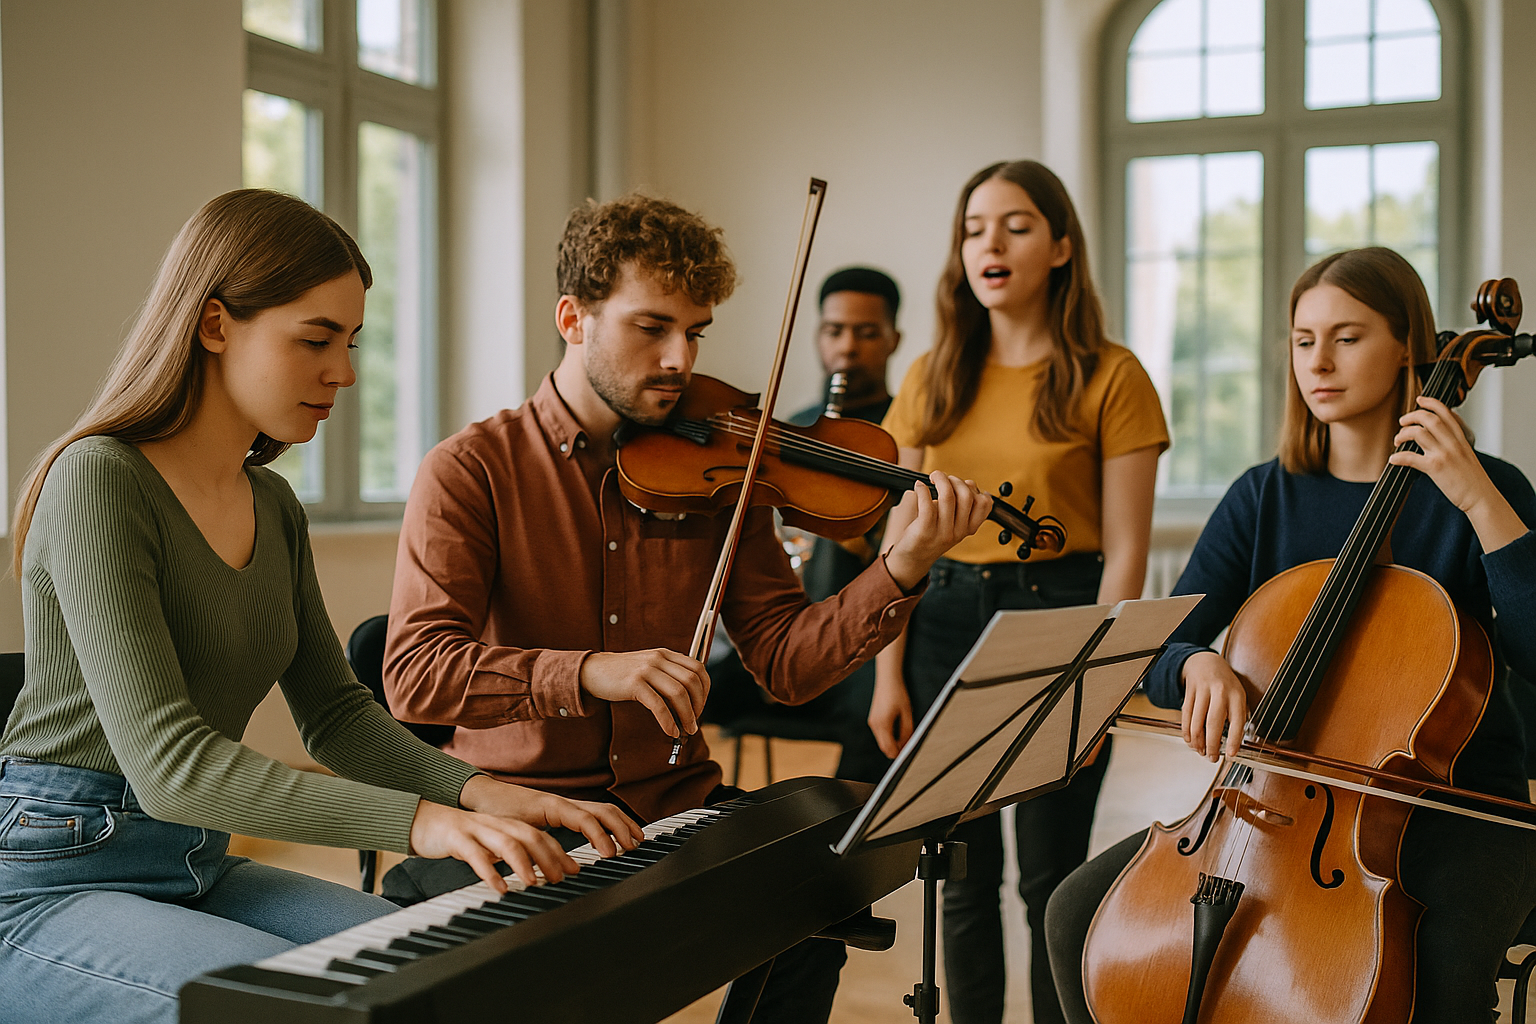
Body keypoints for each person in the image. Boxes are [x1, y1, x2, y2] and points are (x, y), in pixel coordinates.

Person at [0, 189, 643, 1024]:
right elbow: (169, 767)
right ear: (215, 323)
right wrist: (423, 825)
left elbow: (336, 716)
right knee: (319, 1012)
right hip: (54, 881)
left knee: (453, 975)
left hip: (194, 860)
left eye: (350, 342)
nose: (342, 371)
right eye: (314, 339)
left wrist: (480, 793)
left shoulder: (272, 504)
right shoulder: (99, 479)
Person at [382, 193, 992, 1022]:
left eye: (696, 332)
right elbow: (417, 677)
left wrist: (900, 564)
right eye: (651, 327)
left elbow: (785, 664)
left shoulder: (721, 469)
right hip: (532, 807)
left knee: (823, 878)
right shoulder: (472, 471)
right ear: (574, 318)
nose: (679, 359)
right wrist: (591, 673)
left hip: (675, 806)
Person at [1043, 247, 1536, 1024]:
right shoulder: (1262, 496)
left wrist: (1477, 498)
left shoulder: (1489, 489)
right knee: (1076, 912)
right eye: (1304, 341)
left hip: (1458, 808)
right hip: (1270, 808)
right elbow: (1159, 648)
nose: (1320, 361)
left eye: (1348, 337)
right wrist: (1197, 661)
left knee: (1438, 967)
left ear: (1407, 344)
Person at [868, 160, 1168, 1024]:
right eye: (973, 228)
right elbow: (901, 538)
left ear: (1062, 246)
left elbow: (1124, 557)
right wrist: (889, 677)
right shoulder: (931, 374)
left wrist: (1101, 675)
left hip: (1061, 616)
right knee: (958, 874)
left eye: (1016, 224)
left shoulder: (1112, 376)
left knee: (1050, 878)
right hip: (941, 619)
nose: (988, 243)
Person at [704, 266, 904, 783]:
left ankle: (842, 843)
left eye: (866, 333)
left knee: (867, 728)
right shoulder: (794, 427)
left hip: (861, 643)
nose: (848, 348)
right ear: (818, 336)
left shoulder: (904, 432)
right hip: (792, 625)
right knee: (689, 687)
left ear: (893, 340)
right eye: (835, 331)